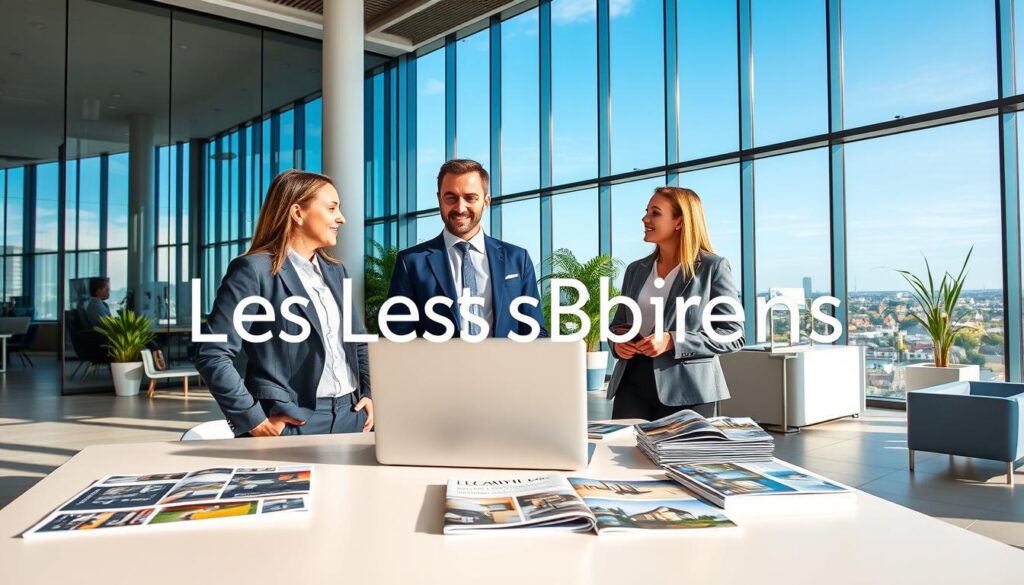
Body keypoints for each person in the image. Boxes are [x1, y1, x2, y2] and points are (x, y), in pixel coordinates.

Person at [196, 169, 372, 437]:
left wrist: (370, 393)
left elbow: (357, 341)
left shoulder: (336, 271)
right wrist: (252, 419)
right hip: (292, 422)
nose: (341, 218)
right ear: (297, 213)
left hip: (352, 416)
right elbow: (212, 352)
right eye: (332, 208)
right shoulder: (254, 270)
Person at [607, 187, 744, 421]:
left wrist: (672, 340)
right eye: (646, 211)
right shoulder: (635, 270)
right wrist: (618, 343)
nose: (645, 218)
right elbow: (618, 324)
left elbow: (733, 335)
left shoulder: (712, 267)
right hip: (631, 383)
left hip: (687, 390)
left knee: (677, 458)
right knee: (621, 453)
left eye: (655, 212)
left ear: (680, 221)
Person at [387, 159, 547, 338]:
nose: (460, 207)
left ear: (486, 201)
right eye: (451, 197)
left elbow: (534, 332)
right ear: (439, 199)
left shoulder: (518, 259)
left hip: (503, 365)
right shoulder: (411, 263)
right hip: (437, 366)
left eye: (470, 198)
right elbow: (397, 336)